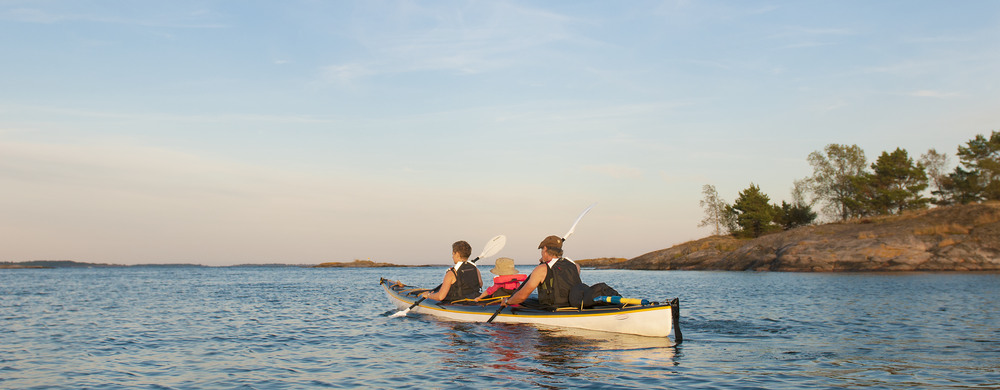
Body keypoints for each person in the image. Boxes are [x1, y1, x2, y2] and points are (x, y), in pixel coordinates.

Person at [503, 235, 581, 308]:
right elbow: (559, 271)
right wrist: (545, 260)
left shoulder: (541, 269)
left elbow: (522, 297)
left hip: (552, 308)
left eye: (542, 250)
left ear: (545, 248)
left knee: (522, 302)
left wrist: (507, 301)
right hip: (574, 305)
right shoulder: (575, 266)